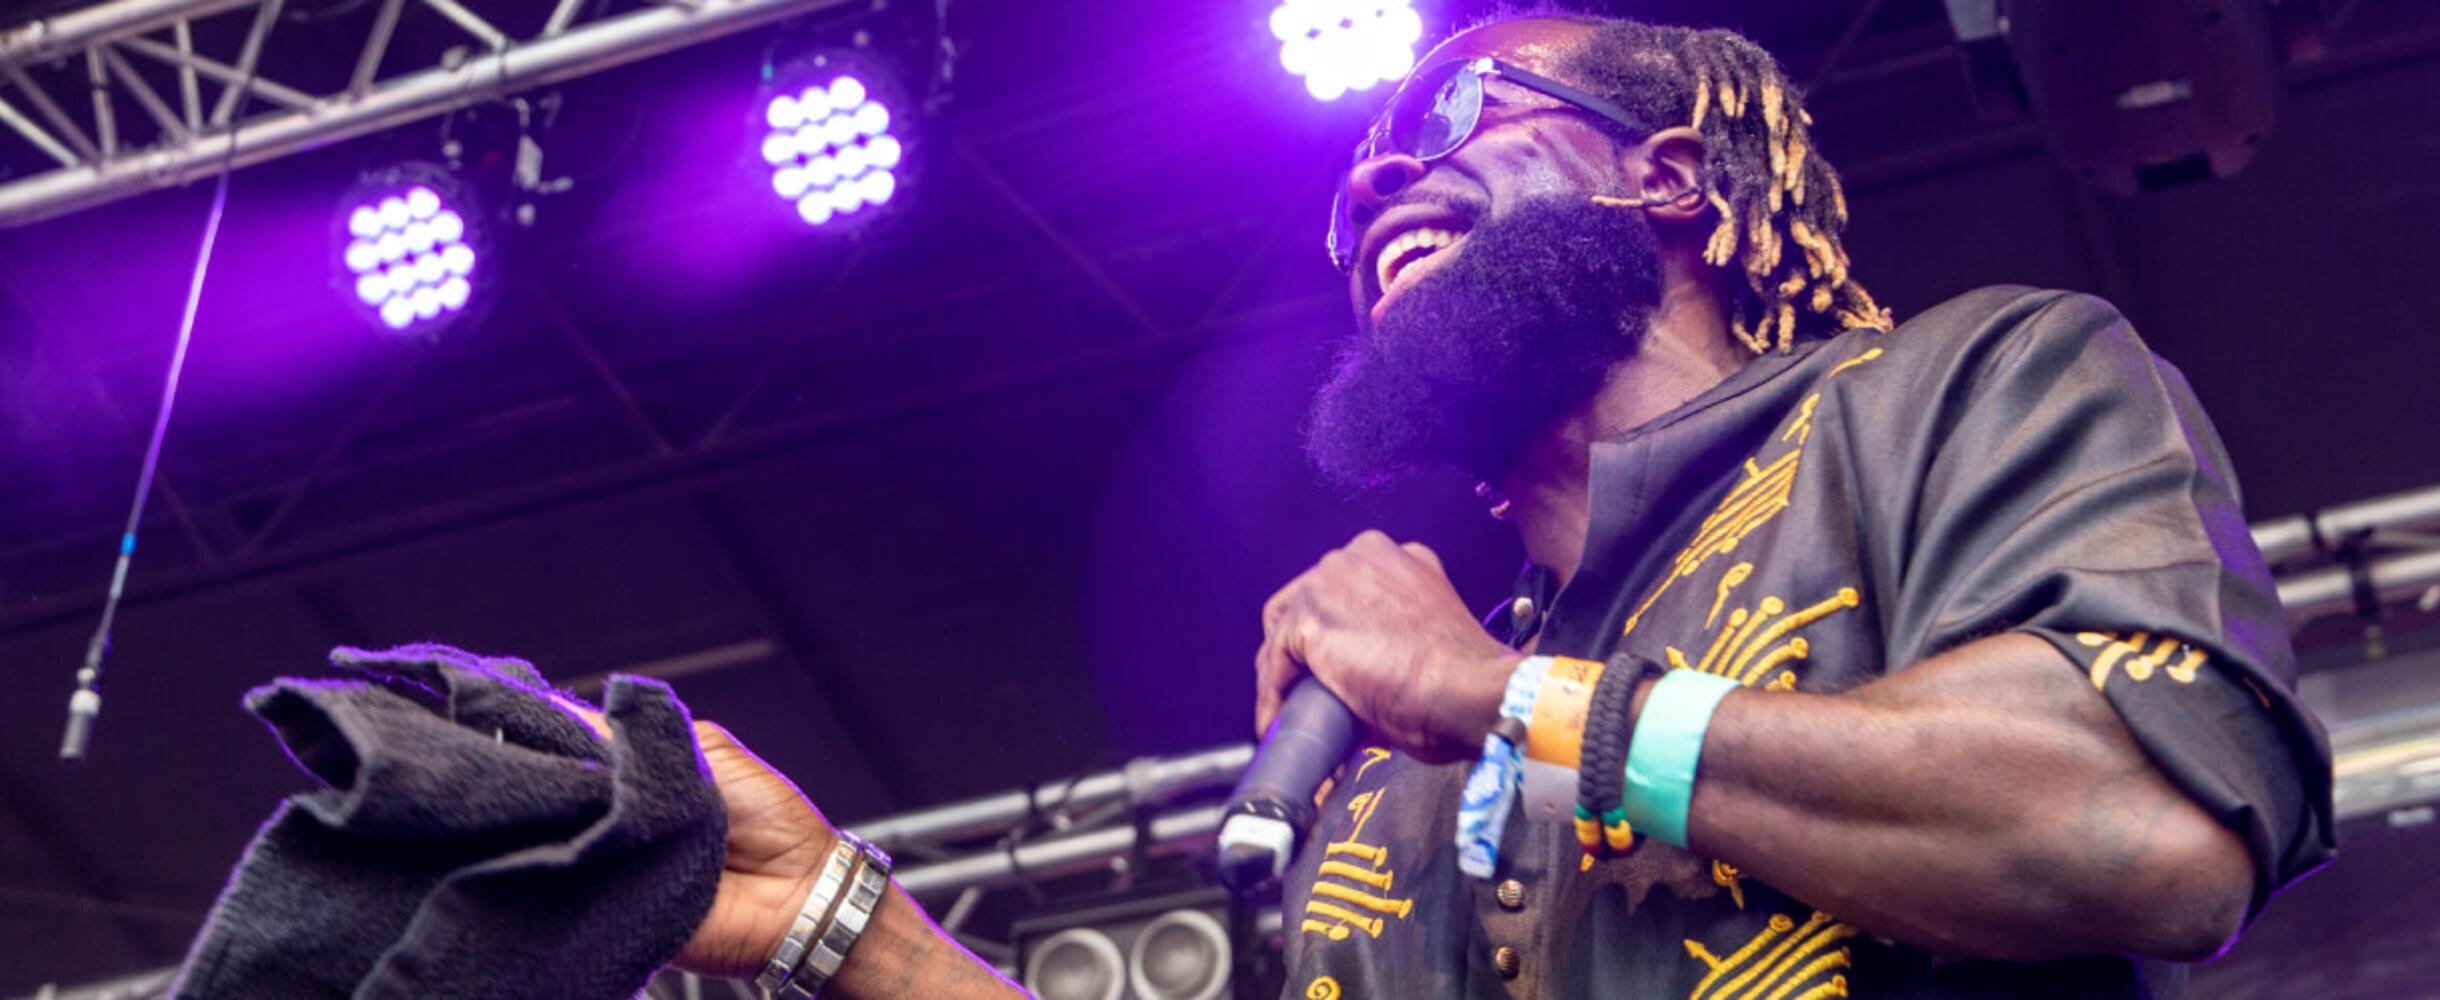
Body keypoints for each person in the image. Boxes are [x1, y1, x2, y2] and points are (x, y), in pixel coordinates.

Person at [671, 13, 2334, 999]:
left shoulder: (1964, 388)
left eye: (1452, 120)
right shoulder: (1380, 768)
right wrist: (852, 928)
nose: (1381, 179)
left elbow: (2133, 834)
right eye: (1357, 186)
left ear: (1669, 177)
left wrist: (1501, 699)